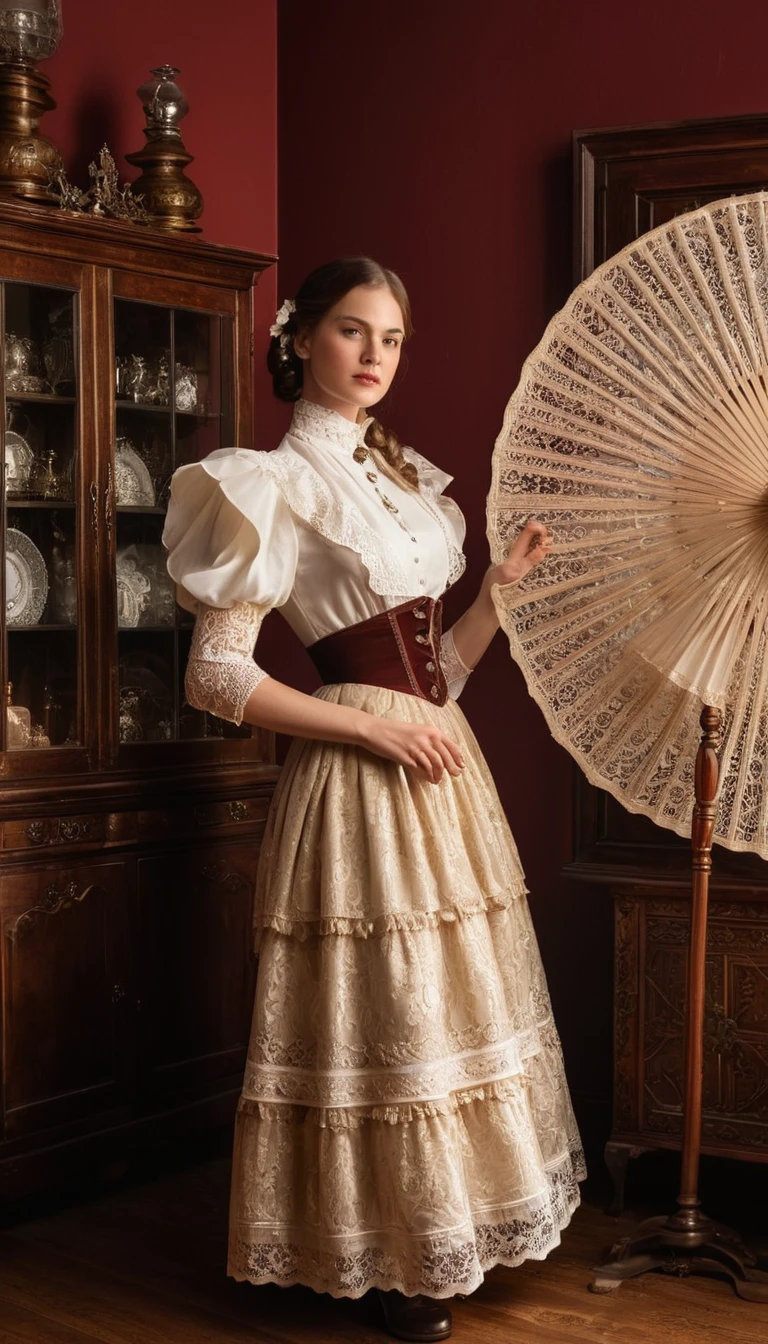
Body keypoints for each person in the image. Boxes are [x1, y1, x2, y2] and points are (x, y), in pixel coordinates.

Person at [163, 257, 585, 1343]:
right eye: (353, 332)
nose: (374, 356)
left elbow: (439, 668)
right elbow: (216, 678)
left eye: (391, 339)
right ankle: (388, 1253)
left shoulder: (400, 481)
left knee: (447, 1000)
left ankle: (443, 1230)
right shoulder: (270, 481)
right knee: (384, 1009)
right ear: (300, 338)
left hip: (439, 758)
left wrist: (495, 597)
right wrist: (367, 727)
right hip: (358, 776)